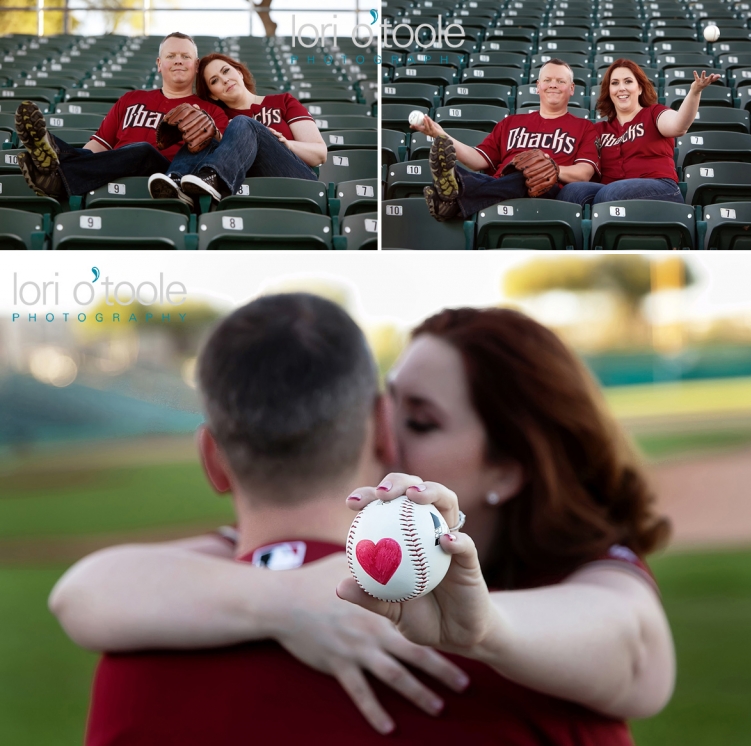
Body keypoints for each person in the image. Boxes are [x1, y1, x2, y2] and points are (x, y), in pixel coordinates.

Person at [50, 302, 676, 744]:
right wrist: (283, 596)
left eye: (423, 422)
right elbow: (84, 590)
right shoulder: (344, 563)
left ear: (509, 470)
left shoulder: (574, 610)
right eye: (394, 407)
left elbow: (635, 649)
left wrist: (483, 630)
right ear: (376, 423)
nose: (393, 450)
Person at [54, 293, 470, 744]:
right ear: (384, 429)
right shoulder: (475, 644)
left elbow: (77, 591)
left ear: (212, 458)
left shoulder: (129, 672)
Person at [15, 33, 229, 200]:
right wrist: (77, 156)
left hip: (166, 179)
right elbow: (97, 148)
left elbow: (216, 161)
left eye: (185, 56)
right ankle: (57, 159)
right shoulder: (130, 99)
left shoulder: (211, 111)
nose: (178, 61)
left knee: (143, 150)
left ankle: (58, 166)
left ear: (197, 64)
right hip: (113, 171)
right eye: (171, 56)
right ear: (158, 64)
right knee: (128, 151)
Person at [409, 59, 600, 221]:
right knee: (511, 173)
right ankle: (455, 196)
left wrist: (553, 169)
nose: (553, 85)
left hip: (543, 188)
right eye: (547, 80)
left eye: (560, 81)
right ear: (538, 86)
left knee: (529, 173)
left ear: (572, 88)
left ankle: (456, 191)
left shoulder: (585, 127)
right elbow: (478, 160)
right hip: (502, 182)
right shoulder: (510, 123)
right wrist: (440, 135)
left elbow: (584, 172)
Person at [148, 53, 326, 204]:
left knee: (242, 122)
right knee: (202, 134)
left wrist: (288, 144)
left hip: (292, 177)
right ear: (212, 94)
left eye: (226, 71)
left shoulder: (283, 101)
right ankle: (175, 182)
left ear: (239, 72)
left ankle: (213, 177)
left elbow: (320, 154)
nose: (224, 80)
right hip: (242, 182)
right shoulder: (218, 118)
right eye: (215, 81)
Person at [557, 59, 721, 207]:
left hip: (660, 187)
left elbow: (679, 126)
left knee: (611, 193)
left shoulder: (654, 113)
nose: (621, 88)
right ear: (609, 91)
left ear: (640, 88)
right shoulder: (600, 130)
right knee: (572, 192)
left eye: (628, 81)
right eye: (615, 83)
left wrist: (694, 92)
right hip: (609, 189)